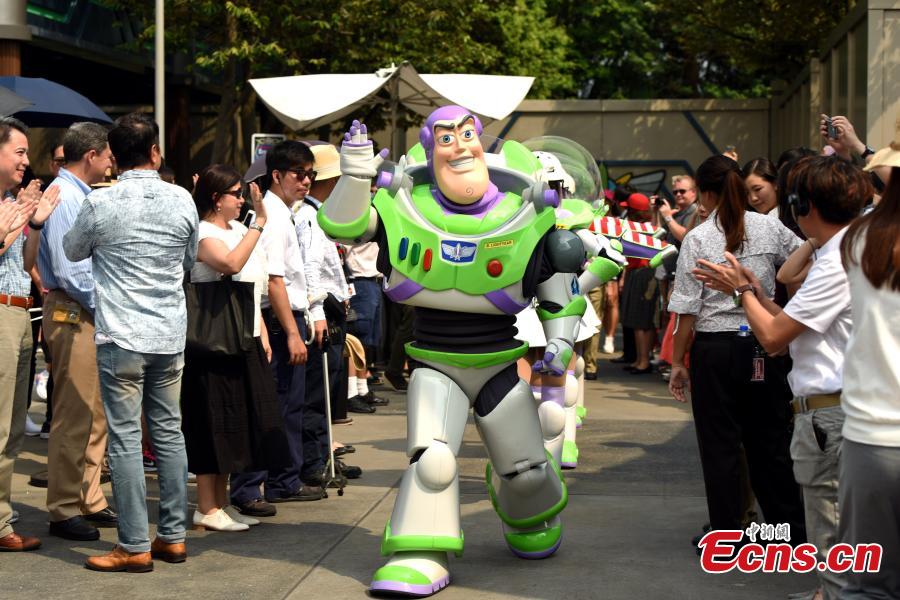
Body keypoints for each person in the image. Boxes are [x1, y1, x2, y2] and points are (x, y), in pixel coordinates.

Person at [319, 108, 623, 596]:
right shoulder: (404, 207)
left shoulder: (527, 217)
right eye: (445, 138)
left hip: (500, 363)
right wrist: (355, 176)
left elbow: (557, 290)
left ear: (480, 142)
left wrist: (561, 341)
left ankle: (524, 509)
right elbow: (343, 226)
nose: (459, 147)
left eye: (466, 135)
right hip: (436, 363)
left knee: (524, 473)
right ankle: (419, 549)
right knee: (433, 460)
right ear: (430, 147)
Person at [693, 155, 871, 600]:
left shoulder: (836, 261)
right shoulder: (846, 250)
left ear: (801, 204)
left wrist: (740, 291)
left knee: (830, 521)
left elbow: (773, 338)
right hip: (838, 408)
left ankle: (834, 594)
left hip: (831, 414)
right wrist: (752, 291)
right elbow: (792, 324)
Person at [64, 113, 199, 572]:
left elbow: (71, 251)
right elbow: (188, 260)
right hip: (168, 333)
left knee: (124, 440)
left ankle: (134, 544)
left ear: (113, 159)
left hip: (120, 335)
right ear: (156, 153)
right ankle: (174, 536)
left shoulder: (101, 202)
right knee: (169, 433)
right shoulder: (182, 199)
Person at [667, 153, 806, 549]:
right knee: (770, 441)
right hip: (763, 344)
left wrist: (678, 362)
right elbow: (805, 260)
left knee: (720, 444)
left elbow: (686, 311)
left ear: (705, 194)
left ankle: (728, 533)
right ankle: (788, 532)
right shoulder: (770, 227)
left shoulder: (697, 238)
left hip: (715, 352)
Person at [181, 164, 290, 532]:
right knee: (211, 420)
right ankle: (206, 507)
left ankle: (222, 504)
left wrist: (259, 326)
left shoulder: (239, 229)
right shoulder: (203, 232)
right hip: (212, 341)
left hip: (241, 332)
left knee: (235, 422)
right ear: (216, 198)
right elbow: (230, 263)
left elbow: (252, 280)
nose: (242, 199)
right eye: (235, 193)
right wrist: (259, 221)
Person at [229, 140, 326, 517]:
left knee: (288, 406)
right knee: (272, 406)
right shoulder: (270, 214)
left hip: (287, 315)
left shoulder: (283, 212)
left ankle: (283, 479)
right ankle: (254, 485)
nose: (306, 181)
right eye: (298, 174)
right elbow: (273, 281)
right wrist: (289, 331)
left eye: (310, 175)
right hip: (277, 318)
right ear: (277, 175)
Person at [38, 122, 117, 542]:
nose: (110, 163)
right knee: (75, 412)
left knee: (95, 410)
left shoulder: (79, 195)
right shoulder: (67, 197)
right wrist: (110, 307)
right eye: (107, 155)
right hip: (74, 310)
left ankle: (87, 497)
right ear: (91, 155)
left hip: (84, 311)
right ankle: (64, 506)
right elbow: (72, 272)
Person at [837, 126, 900, 600]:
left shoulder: (860, 240)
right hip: (871, 434)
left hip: (870, 439)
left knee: (867, 586)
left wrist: (863, 152)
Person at [0, 116, 61, 552]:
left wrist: (34, 225)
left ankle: (2, 517)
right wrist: (4, 232)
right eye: (19, 151)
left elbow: (24, 267)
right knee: (1, 426)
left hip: (21, 312)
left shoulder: (11, 202)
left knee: (14, 428)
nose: (27, 160)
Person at [618, 193, 658, 374]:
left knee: (642, 321)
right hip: (636, 272)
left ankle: (644, 361)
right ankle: (639, 359)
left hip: (644, 273)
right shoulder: (642, 226)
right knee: (637, 320)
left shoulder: (645, 228)